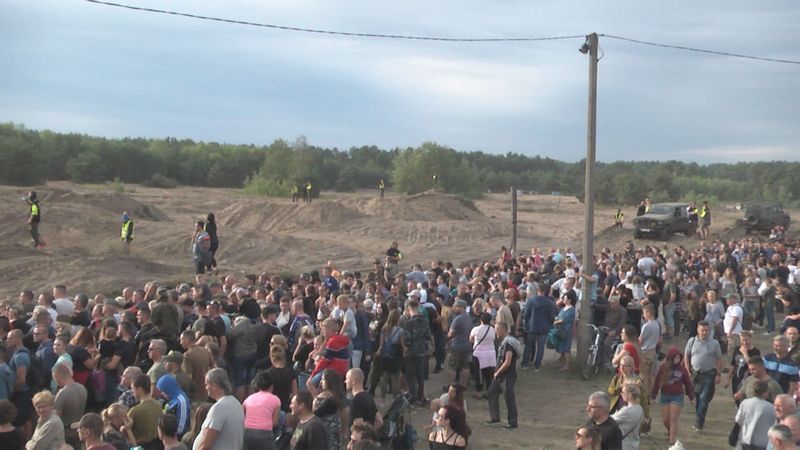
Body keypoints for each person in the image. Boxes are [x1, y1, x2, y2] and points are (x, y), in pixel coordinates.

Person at [683, 320, 722, 432]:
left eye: (706, 330)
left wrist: (718, 374)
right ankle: (699, 417)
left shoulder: (714, 343)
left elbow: (719, 359)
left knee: (704, 398)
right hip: (695, 375)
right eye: (702, 330)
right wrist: (687, 370)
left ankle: (699, 423)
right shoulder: (692, 341)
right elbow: (686, 356)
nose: (704, 333)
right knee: (697, 398)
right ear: (698, 330)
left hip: (709, 374)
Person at [651, 347, 694, 446]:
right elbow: (657, 382)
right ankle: (671, 432)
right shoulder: (663, 368)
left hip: (677, 396)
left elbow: (688, 383)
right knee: (665, 419)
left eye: (679, 358)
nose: (677, 360)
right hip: (665, 395)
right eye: (675, 357)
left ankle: (672, 441)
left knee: (673, 418)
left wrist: (692, 397)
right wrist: (653, 396)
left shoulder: (682, 369)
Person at [193, 368, 244, 450]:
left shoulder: (219, 408)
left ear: (214, 385)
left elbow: (206, 444)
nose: (206, 388)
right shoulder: (236, 403)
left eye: (207, 384)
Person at [485, 322, 520, 429]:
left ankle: (512, 423)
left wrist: (497, 372)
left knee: (509, 399)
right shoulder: (504, 342)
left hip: (507, 376)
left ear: (503, 329)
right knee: (491, 393)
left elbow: (507, 362)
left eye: (497, 329)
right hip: (500, 376)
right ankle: (494, 417)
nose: (495, 332)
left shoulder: (509, 344)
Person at [401, 299, 431, 406]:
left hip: (411, 353)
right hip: (422, 351)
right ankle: (420, 397)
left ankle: (412, 398)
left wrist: (405, 352)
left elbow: (407, 341)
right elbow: (428, 336)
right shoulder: (425, 321)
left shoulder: (409, 323)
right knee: (420, 376)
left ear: (409, 309)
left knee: (410, 377)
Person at [242, 371, 280, 450]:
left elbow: (242, 413)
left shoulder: (249, 398)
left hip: (247, 433)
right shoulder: (276, 400)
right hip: (265, 434)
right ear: (271, 386)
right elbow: (275, 422)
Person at [53, 362, 87, 447]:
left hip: (66, 433)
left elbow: (56, 418)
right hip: (79, 430)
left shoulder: (62, 393)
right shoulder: (82, 388)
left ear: (57, 376)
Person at [522, 283, 555, 370]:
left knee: (528, 346)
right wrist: (550, 324)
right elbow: (551, 316)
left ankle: (525, 363)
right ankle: (537, 365)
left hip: (532, 326)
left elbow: (527, 314)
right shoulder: (549, 303)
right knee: (541, 347)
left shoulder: (531, 300)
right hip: (544, 327)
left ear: (537, 290)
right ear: (545, 291)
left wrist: (526, 324)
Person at [736, 380, 777, 450]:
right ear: (765, 392)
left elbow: (738, 420)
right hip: (763, 442)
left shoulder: (745, 403)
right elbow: (774, 424)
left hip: (746, 439)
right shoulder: (771, 407)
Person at [126, 374, 163, 450]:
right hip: (158, 445)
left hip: (141, 447)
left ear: (140, 389)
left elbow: (126, 432)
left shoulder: (135, 411)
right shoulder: (158, 405)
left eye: (133, 388)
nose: (132, 392)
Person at [156, 375, 190, 440]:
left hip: (175, 438)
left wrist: (167, 436)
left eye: (163, 391)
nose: (162, 394)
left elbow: (181, 427)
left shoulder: (181, 401)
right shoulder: (170, 399)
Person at [727, 330, 761, 397]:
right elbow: (733, 364)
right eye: (742, 340)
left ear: (750, 339)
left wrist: (745, 354)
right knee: (736, 397)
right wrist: (728, 378)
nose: (744, 343)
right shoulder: (737, 349)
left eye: (746, 340)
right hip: (736, 379)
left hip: (748, 379)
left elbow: (753, 366)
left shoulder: (756, 352)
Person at [611, 383, 644, 450]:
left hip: (623, 445)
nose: (621, 394)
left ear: (629, 395)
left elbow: (608, 420)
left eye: (623, 392)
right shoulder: (640, 409)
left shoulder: (626, 411)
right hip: (634, 444)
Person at [469, 312, 495, 393]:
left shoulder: (476, 329)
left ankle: (479, 388)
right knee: (488, 373)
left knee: (478, 372)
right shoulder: (492, 329)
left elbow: (471, 339)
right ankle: (489, 389)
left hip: (478, 352)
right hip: (490, 352)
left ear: (481, 319)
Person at [554, 290, 577, 371]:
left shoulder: (571, 309)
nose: (563, 299)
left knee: (566, 348)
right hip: (561, 329)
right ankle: (563, 364)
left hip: (566, 330)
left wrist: (555, 322)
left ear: (569, 300)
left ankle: (567, 365)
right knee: (562, 348)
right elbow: (559, 316)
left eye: (565, 298)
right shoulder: (563, 308)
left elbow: (564, 320)